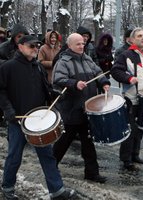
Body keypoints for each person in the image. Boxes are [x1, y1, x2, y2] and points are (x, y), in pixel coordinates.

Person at [0, 35, 76, 200]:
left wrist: (53, 94)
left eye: (37, 46)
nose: (35, 49)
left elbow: (45, 87)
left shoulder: (37, 67)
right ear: (20, 46)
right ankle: (7, 187)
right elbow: (1, 91)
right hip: (18, 121)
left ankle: (57, 191)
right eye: (31, 46)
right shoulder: (8, 67)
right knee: (14, 156)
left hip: (38, 121)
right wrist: (8, 110)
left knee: (47, 156)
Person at [52, 33, 110, 183]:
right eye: (78, 44)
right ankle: (50, 168)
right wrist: (74, 83)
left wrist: (103, 82)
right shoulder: (63, 62)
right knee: (63, 143)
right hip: (71, 109)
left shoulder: (87, 58)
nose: (81, 46)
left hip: (87, 108)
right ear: (70, 45)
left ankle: (92, 172)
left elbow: (98, 72)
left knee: (88, 143)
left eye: (83, 43)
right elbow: (58, 80)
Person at [111, 27, 143, 171]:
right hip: (130, 97)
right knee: (130, 129)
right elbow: (115, 71)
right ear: (132, 39)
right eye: (139, 36)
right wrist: (128, 78)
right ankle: (126, 159)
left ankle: (135, 154)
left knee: (140, 128)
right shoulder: (126, 55)